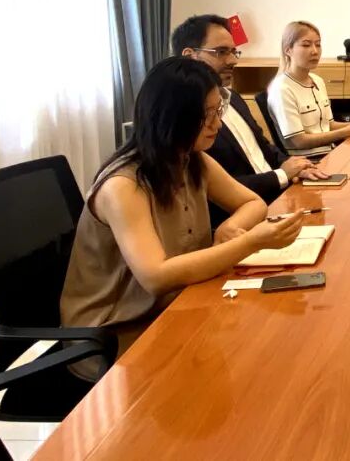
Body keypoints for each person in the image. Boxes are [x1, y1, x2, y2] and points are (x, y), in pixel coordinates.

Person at [60, 58, 305, 378]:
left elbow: (252, 203)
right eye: (207, 115)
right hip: (115, 332)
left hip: (175, 302)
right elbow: (156, 276)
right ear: (172, 117)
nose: (217, 124)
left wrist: (231, 227)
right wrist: (250, 242)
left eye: (219, 110)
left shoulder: (191, 161)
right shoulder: (123, 186)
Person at [170, 14, 326, 228]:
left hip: (278, 196)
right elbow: (212, 190)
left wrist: (295, 166)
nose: (233, 60)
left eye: (234, 52)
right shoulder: (183, 116)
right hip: (241, 218)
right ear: (190, 56)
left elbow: (264, 147)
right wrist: (281, 175)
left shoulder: (232, 97)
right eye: (221, 52)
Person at [266, 21, 350, 157]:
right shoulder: (282, 89)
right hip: (308, 161)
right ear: (288, 50)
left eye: (318, 44)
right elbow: (298, 141)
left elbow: (328, 125)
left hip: (330, 154)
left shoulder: (318, 81)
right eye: (306, 45)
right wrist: (348, 131)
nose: (315, 51)